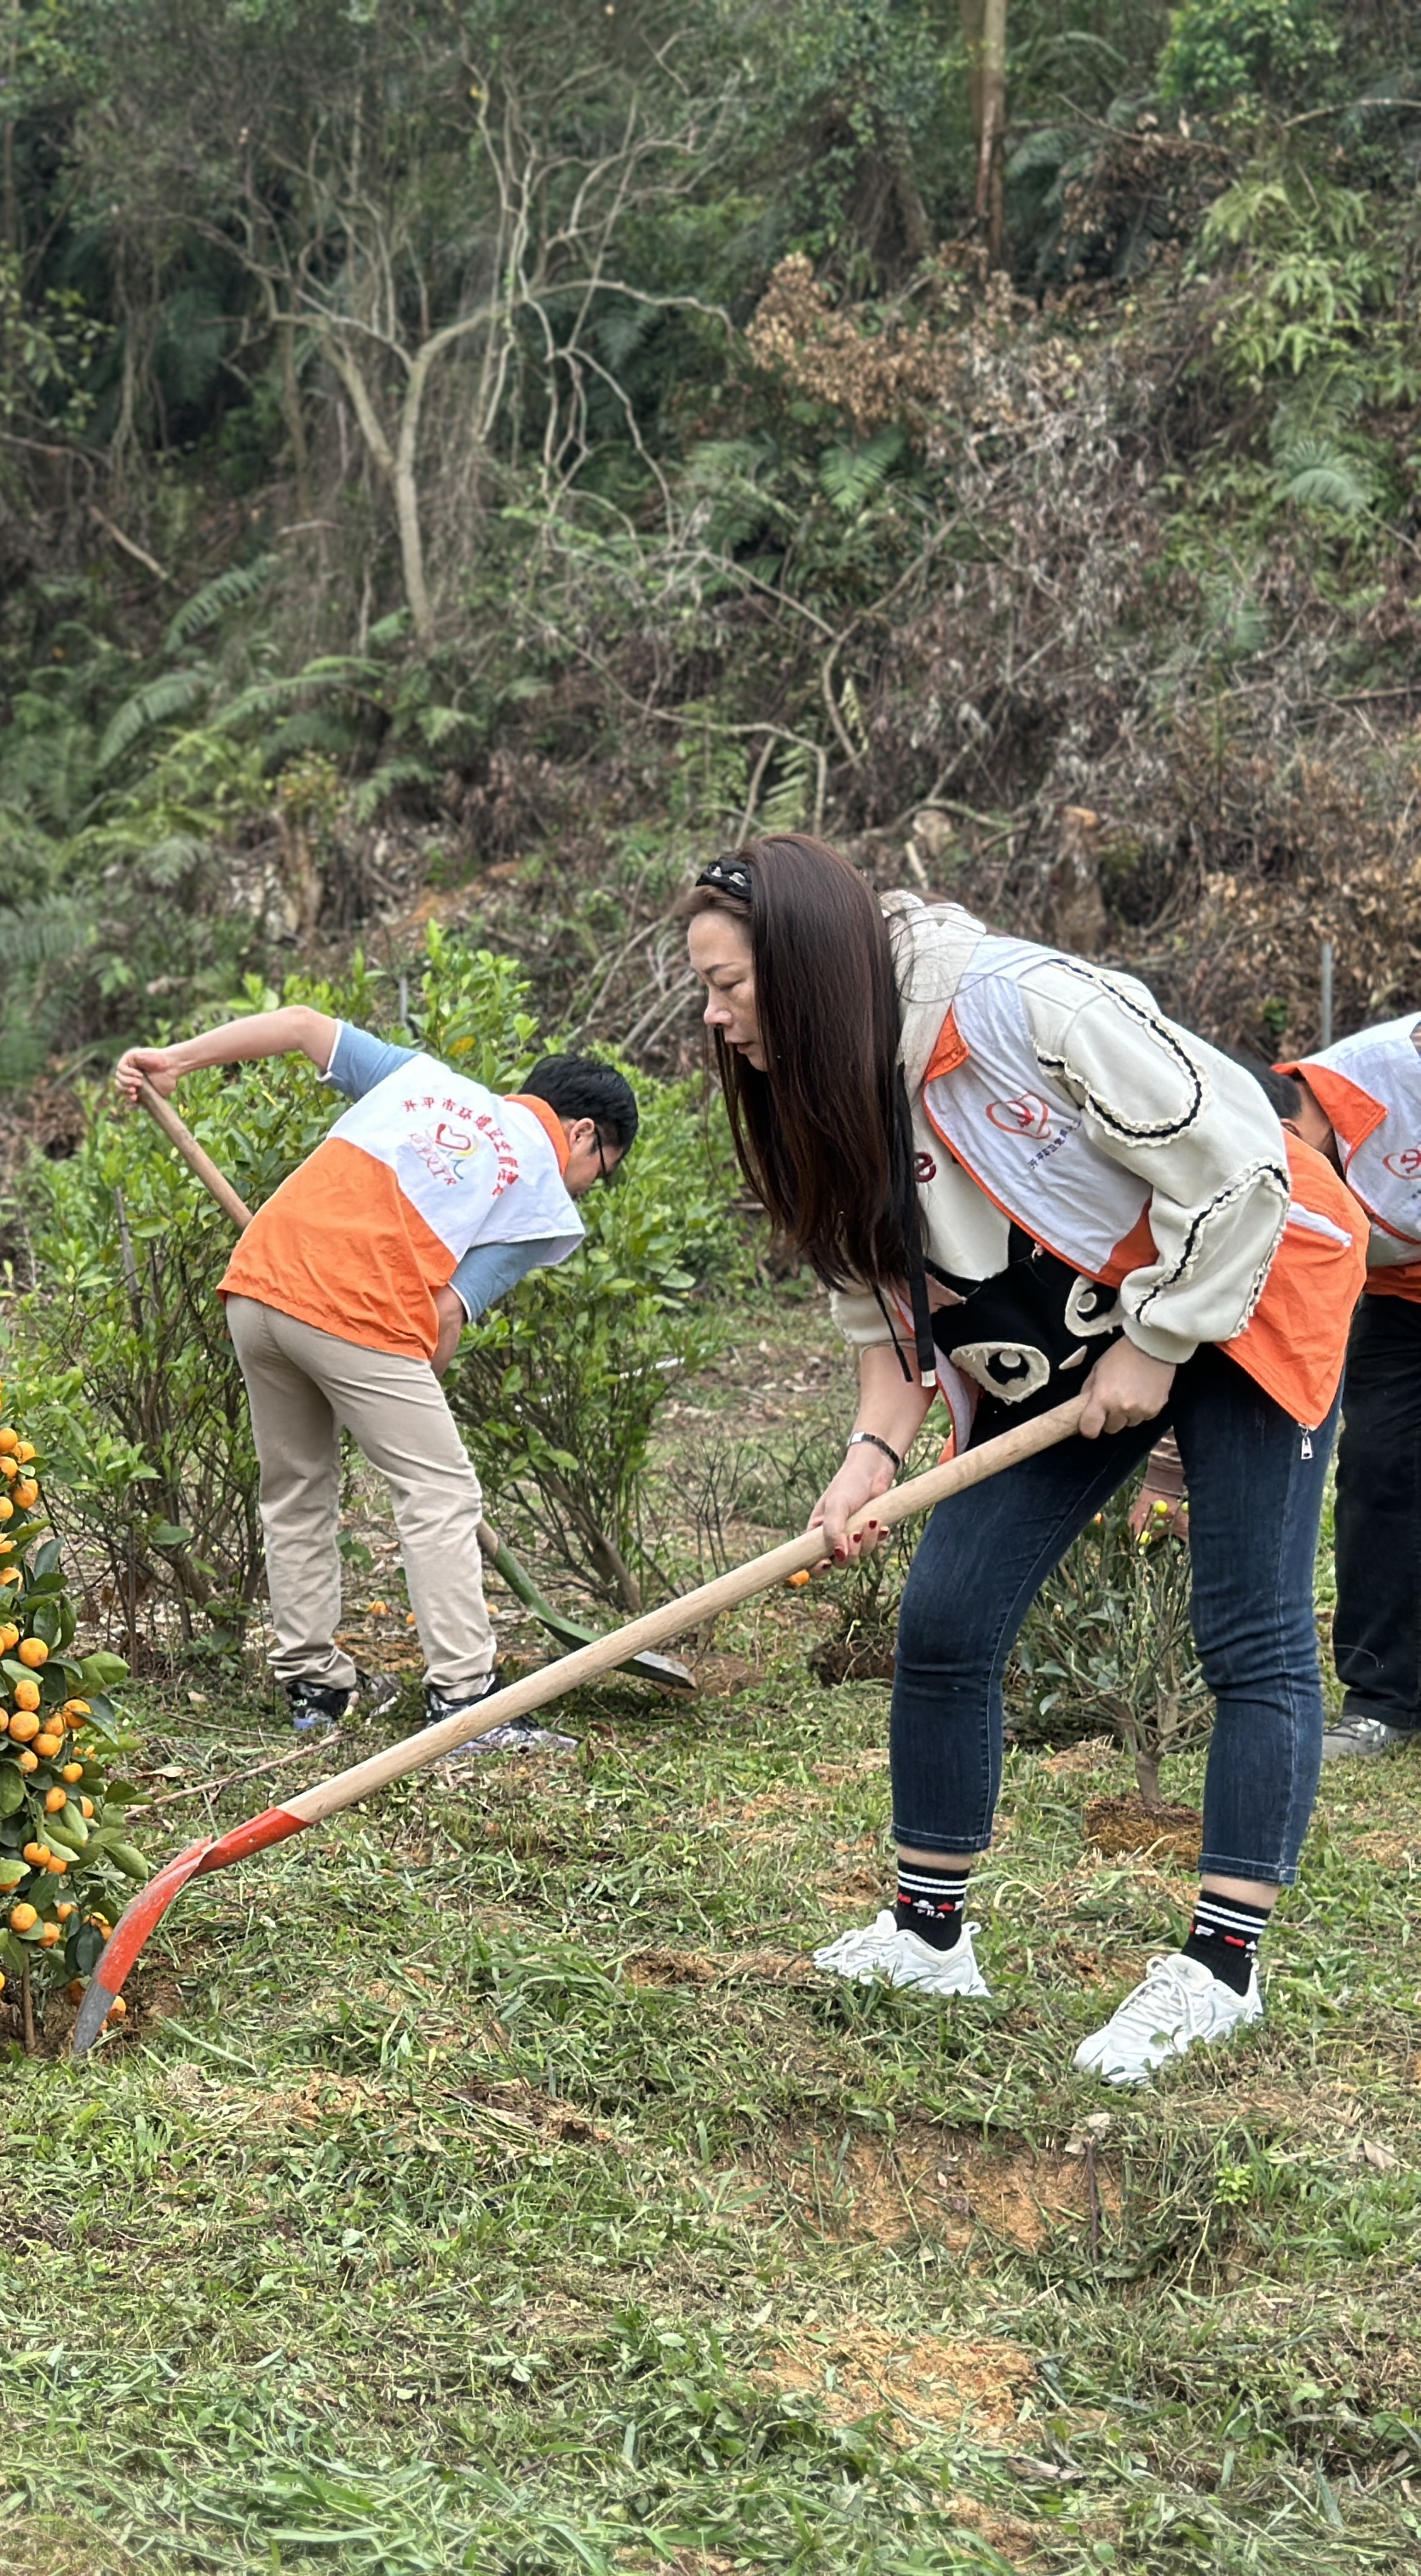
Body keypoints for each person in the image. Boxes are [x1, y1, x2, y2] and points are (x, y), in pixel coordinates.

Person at [680, 835, 1363, 2087]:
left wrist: (1159, 1341)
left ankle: (1220, 1969)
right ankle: (929, 1934)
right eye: (708, 991)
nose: (717, 1019)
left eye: (730, 986)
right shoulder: (825, 1084)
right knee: (945, 1613)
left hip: (1251, 1274)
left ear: (806, 965)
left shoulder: (1016, 1007)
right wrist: (871, 1450)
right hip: (1070, 1325)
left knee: (1249, 1628)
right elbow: (888, 1302)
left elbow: (1242, 1160)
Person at [112, 1009, 636, 1751]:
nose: (586, 1189)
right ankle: (465, 1699)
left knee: (295, 1488)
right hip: (355, 1309)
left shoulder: (422, 1079)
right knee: (440, 1492)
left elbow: (299, 1025)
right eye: (601, 1174)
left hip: (258, 1290)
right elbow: (446, 1313)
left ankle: (314, 1683)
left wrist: (173, 1059)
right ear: (583, 1133)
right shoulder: (544, 1191)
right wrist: (407, 1399)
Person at [1271, 1016, 1421, 1760]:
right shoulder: (1349, 1085)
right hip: (1400, 1302)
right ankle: (1383, 1699)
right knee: (1381, 1471)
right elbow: (1281, 1194)